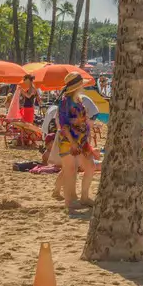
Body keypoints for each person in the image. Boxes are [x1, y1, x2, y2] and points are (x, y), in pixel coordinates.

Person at [53, 85, 94, 214]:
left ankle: (84, 197)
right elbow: (64, 124)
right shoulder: (66, 101)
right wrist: (72, 141)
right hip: (68, 140)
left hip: (81, 140)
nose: (83, 86)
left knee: (90, 166)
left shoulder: (78, 100)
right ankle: (69, 201)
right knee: (70, 170)